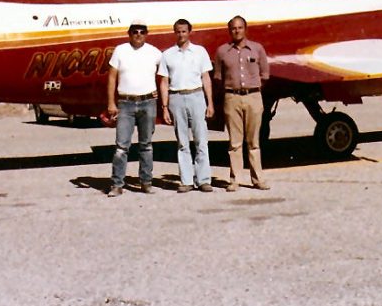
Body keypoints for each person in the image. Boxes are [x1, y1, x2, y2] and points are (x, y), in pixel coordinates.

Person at [213, 15, 271, 191]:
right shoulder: (222, 51)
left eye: (239, 28)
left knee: (253, 142)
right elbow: (218, 77)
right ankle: (235, 179)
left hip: (253, 97)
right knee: (234, 143)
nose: (236, 31)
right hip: (232, 98)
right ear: (229, 31)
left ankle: (257, 179)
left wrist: (254, 90)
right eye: (233, 28)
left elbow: (265, 75)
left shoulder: (257, 49)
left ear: (245, 29)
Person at [157, 19, 215, 193]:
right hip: (177, 98)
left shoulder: (199, 52)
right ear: (174, 32)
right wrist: (165, 107)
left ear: (190, 32)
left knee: (201, 140)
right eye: (178, 31)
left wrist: (210, 102)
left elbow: (206, 78)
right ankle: (186, 180)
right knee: (182, 142)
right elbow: (164, 82)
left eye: (184, 31)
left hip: (196, 96)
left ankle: (204, 180)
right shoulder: (167, 54)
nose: (181, 34)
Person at [106, 20, 162, 196]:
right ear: (129, 33)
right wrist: (111, 103)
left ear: (147, 34)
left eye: (142, 31)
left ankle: (146, 182)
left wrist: (161, 95)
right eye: (135, 31)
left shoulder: (154, 52)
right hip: (125, 103)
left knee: (146, 145)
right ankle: (117, 185)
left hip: (148, 102)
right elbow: (112, 78)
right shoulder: (120, 50)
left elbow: (166, 74)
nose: (138, 35)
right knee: (122, 146)